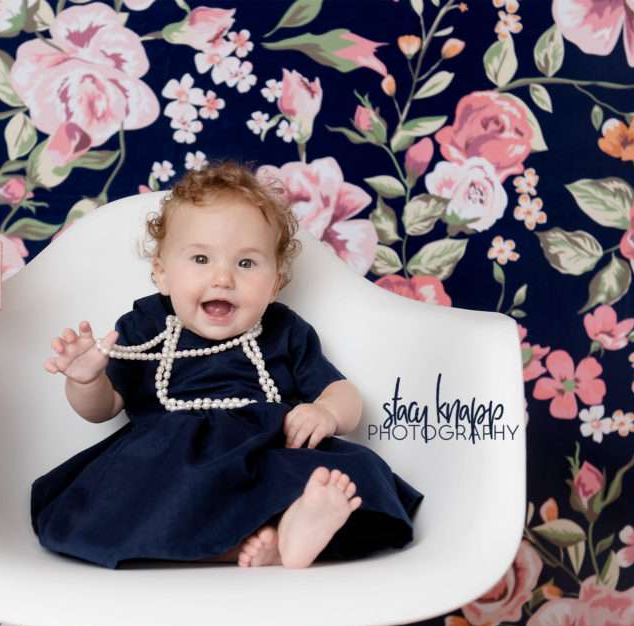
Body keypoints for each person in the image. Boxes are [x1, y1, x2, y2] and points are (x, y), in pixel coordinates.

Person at [33, 160, 423, 569]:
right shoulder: (146, 326)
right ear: (162, 274)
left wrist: (326, 412)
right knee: (118, 493)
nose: (223, 278)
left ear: (275, 283)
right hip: (171, 462)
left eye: (246, 263)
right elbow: (102, 409)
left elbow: (342, 393)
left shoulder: (282, 331)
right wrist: (86, 380)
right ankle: (258, 543)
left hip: (265, 454)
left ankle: (289, 527)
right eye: (201, 259)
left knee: (358, 470)